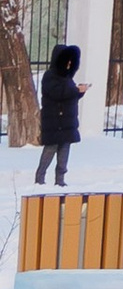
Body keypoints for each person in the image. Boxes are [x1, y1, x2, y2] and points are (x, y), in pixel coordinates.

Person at [34, 41, 81, 188]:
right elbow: (57, 93)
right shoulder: (50, 76)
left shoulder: (68, 77)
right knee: (51, 148)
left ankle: (60, 179)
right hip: (54, 120)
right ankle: (40, 178)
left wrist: (80, 92)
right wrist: (75, 91)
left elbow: (69, 95)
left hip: (67, 121)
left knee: (64, 150)